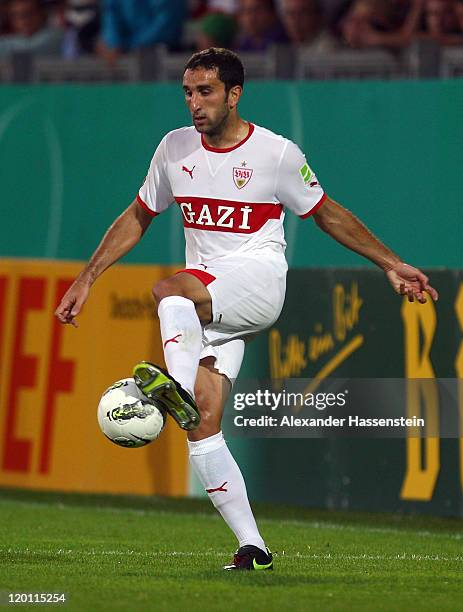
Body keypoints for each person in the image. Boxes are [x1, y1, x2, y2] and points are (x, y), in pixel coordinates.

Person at [55, 47, 438, 571]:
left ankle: (178, 387)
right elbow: (137, 216)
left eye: (206, 91)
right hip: (210, 307)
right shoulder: (174, 149)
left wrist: (390, 263)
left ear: (234, 94)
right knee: (203, 425)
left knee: (168, 290)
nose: (195, 103)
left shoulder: (276, 154)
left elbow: (327, 215)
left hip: (256, 282)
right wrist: (87, 278)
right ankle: (253, 545)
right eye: (188, 92)